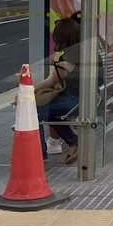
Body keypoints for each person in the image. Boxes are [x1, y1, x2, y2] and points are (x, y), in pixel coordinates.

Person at [35, 17, 82, 164]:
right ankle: (74, 143)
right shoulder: (85, 52)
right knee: (51, 113)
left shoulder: (66, 61)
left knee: (35, 111)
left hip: (75, 102)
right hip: (90, 98)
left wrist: (25, 94)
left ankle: (39, 157)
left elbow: (49, 81)